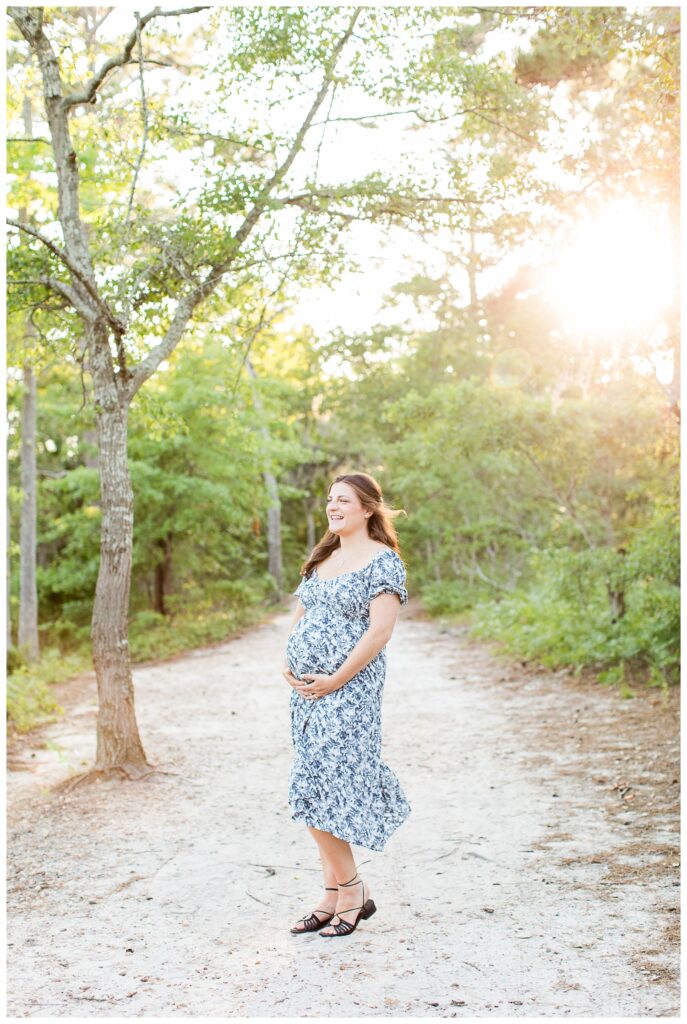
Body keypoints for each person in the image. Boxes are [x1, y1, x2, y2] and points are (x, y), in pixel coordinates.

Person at [282, 471, 411, 937]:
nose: (333, 507)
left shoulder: (383, 562)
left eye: (343, 501)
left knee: (319, 783)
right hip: (307, 694)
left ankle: (353, 889)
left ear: (368, 508)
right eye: (330, 500)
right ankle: (332, 894)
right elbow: (304, 611)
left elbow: (380, 631)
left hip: (350, 691)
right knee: (317, 785)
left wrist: (335, 678)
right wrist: (287, 658)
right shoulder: (324, 556)